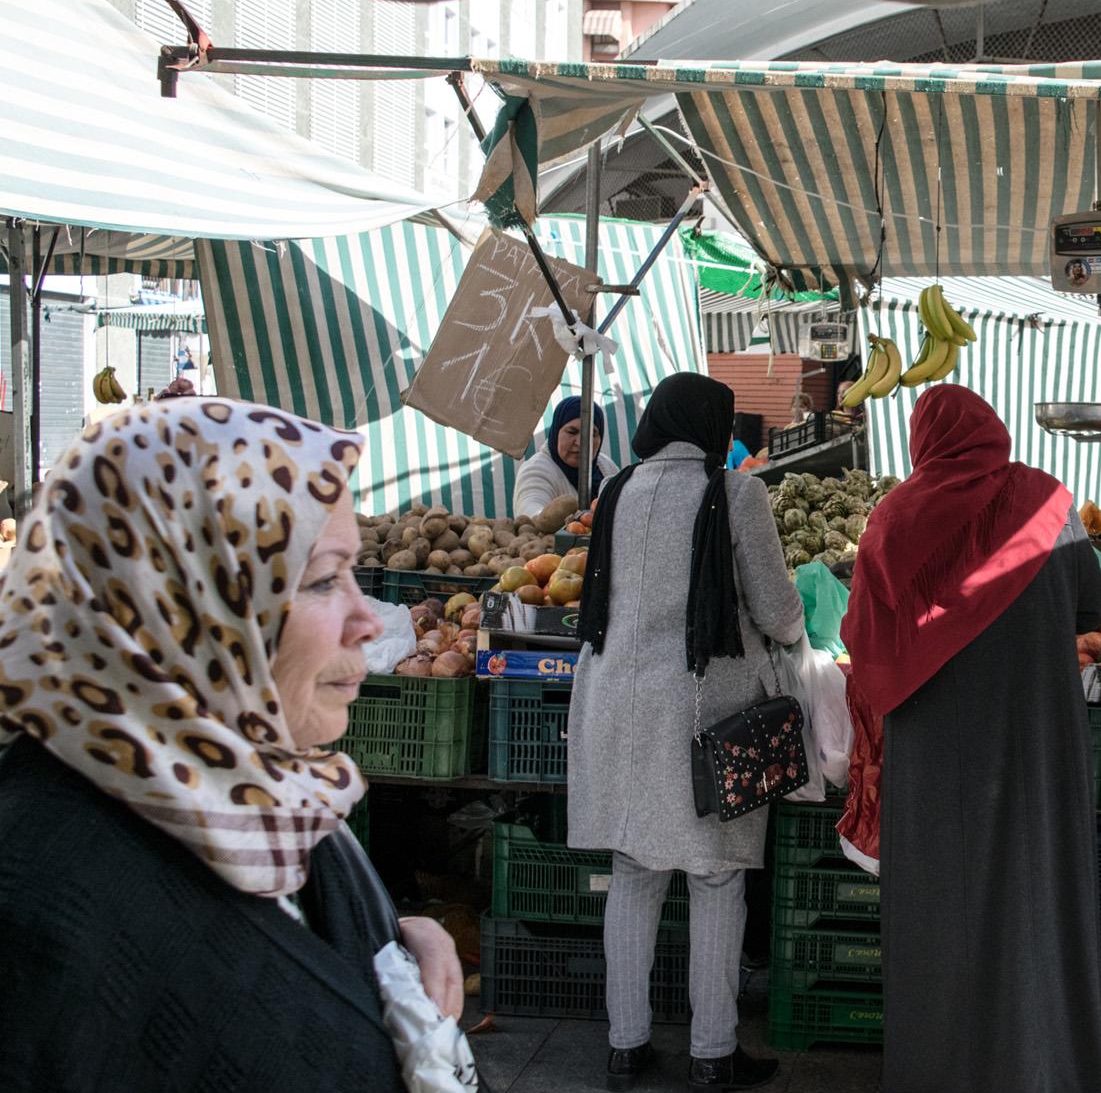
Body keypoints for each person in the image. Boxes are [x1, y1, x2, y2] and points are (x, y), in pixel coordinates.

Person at [0, 399, 475, 1092]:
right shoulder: (40, 909)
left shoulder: (261, 789)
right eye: (322, 579)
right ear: (183, 604)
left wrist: (383, 945)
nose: (368, 620)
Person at [838, 386, 1101, 1093]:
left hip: (935, 746)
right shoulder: (1050, 502)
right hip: (1035, 737)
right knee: (1035, 891)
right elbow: (1092, 603)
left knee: (940, 901)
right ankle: (1040, 1065)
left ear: (921, 439)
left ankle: (939, 1069)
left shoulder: (893, 516)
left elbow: (863, 634)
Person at [567, 373, 803, 1093]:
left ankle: (625, 1043)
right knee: (716, 873)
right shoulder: (735, 492)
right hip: (701, 709)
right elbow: (772, 603)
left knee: (634, 871)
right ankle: (712, 1050)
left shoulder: (617, 490)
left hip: (615, 702)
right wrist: (798, 636)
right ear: (710, 422)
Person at [514, 395, 620, 517]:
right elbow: (531, 512)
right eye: (571, 432)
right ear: (556, 432)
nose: (581, 443)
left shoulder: (605, 465)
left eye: (592, 433)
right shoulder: (536, 470)